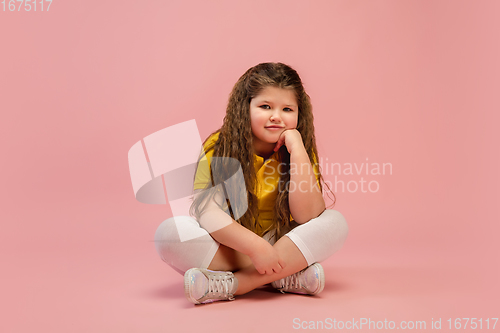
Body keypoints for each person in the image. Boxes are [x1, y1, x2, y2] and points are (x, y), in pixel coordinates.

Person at [154, 62, 348, 304]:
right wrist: (256, 249)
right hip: (233, 246)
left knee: (335, 222)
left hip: (279, 239)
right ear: (245, 108)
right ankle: (284, 274)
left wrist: (297, 149)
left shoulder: (300, 150)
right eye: (265, 106)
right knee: (169, 234)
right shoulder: (218, 147)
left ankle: (233, 284)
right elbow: (209, 213)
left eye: (288, 109)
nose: (276, 116)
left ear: (300, 113)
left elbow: (307, 216)